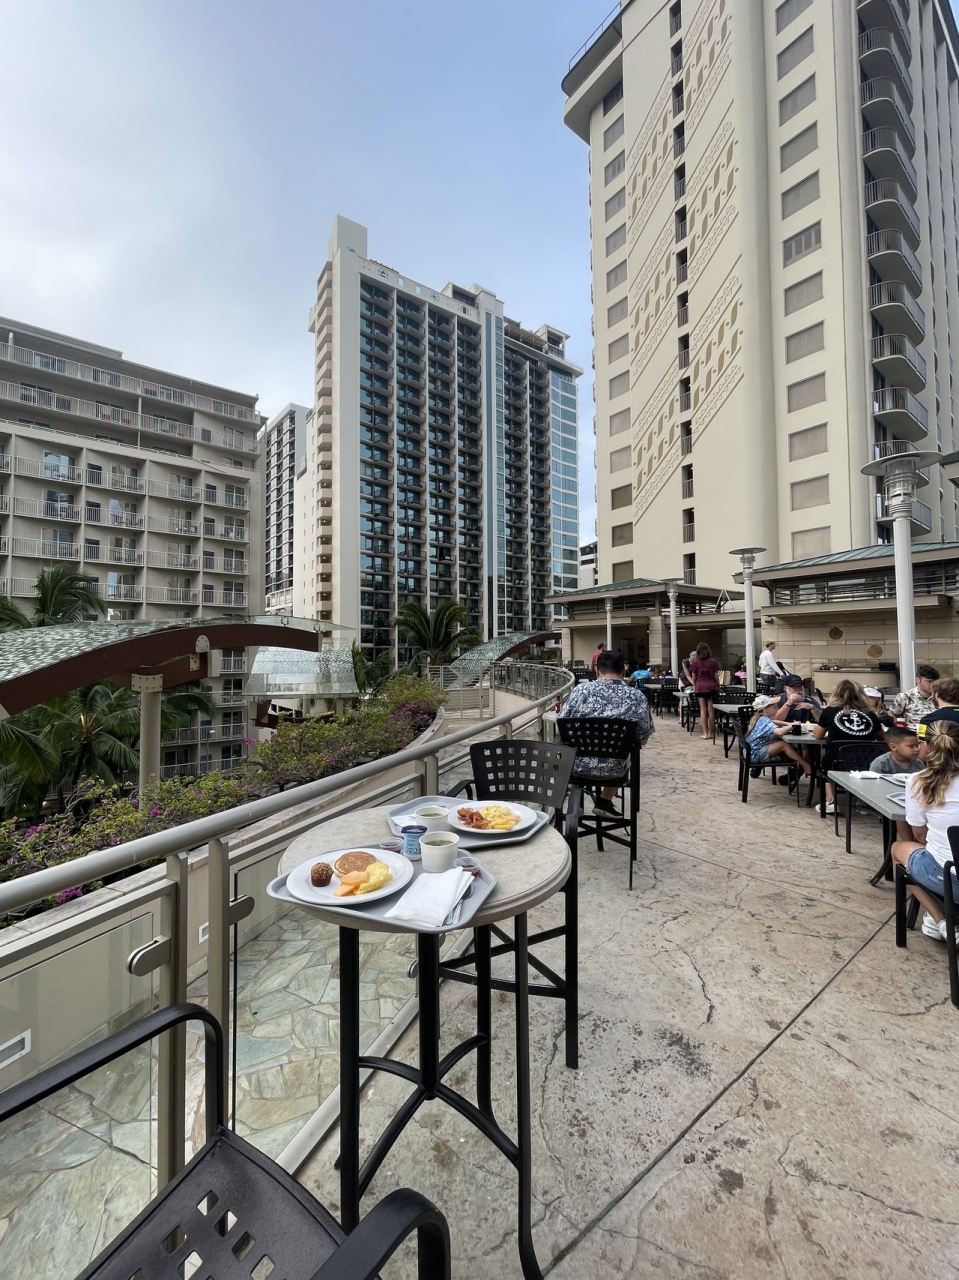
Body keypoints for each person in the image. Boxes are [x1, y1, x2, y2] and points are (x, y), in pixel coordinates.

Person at [559, 649, 654, 814]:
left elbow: (563, 723)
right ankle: (604, 801)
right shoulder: (637, 697)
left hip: (577, 766)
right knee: (629, 753)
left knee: (571, 744)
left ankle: (576, 799)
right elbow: (643, 740)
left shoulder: (579, 691)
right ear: (623, 670)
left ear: (597, 670)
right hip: (614, 770)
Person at [892, 720, 959, 943]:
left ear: (926, 746)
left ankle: (942, 920)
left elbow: (920, 835)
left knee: (898, 849)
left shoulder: (918, 781)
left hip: (950, 878)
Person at [812, 679, 885, 813]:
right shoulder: (870, 715)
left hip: (837, 761)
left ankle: (830, 801)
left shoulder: (830, 711)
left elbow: (817, 735)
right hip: (864, 761)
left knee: (826, 763)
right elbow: (881, 738)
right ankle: (863, 801)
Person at [744, 696, 812, 779]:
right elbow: (780, 732)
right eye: (774, 708)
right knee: (784, 745)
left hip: (749, 752)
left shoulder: (761, 718)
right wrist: (793, 726)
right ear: (765, 709)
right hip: (755, 754)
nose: (777, 709)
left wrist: (788, 724)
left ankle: (799, 766)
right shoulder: (765, 720)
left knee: (778, 741)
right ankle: (805, 765)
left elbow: (774, 721)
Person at [916, 677, 959, 760]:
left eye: (932, 693)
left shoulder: (927, 720)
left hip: (941, 764)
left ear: (937, 694)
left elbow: (923, 755)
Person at [890, 664, 940, 730]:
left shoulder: (940, 697)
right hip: (911, 733)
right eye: (929, 681)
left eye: (935, 682)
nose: (933, 685)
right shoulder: (905, 697)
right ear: (918, 680)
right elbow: (892, 713)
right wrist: (899, 728)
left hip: (934, 733)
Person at [690, 641, 720, 741]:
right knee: (711, 710)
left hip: (700, 686)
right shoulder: (713, 661)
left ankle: (705, 733)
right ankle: (711, 733)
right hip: (712, 686)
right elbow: (716, 676)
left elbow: (693, 677)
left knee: (703, 710)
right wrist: (718, 686)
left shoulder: (695, 662)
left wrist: (695, 686)